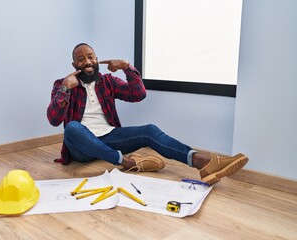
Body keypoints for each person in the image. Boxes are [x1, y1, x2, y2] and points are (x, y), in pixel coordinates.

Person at [47, 43, 248, 185]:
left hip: (109, 137)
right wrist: (65, 88)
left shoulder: (107, 81)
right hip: (81, 148)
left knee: (149, 130)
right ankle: (126, 162)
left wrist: (127, 67)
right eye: (81, 59)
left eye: (91, 57)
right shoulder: (63, 84)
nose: (87, 61)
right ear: (74, 66)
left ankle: (201, 162)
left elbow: (138, 94)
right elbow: (54, 120)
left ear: (97, 59)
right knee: (73, 128)